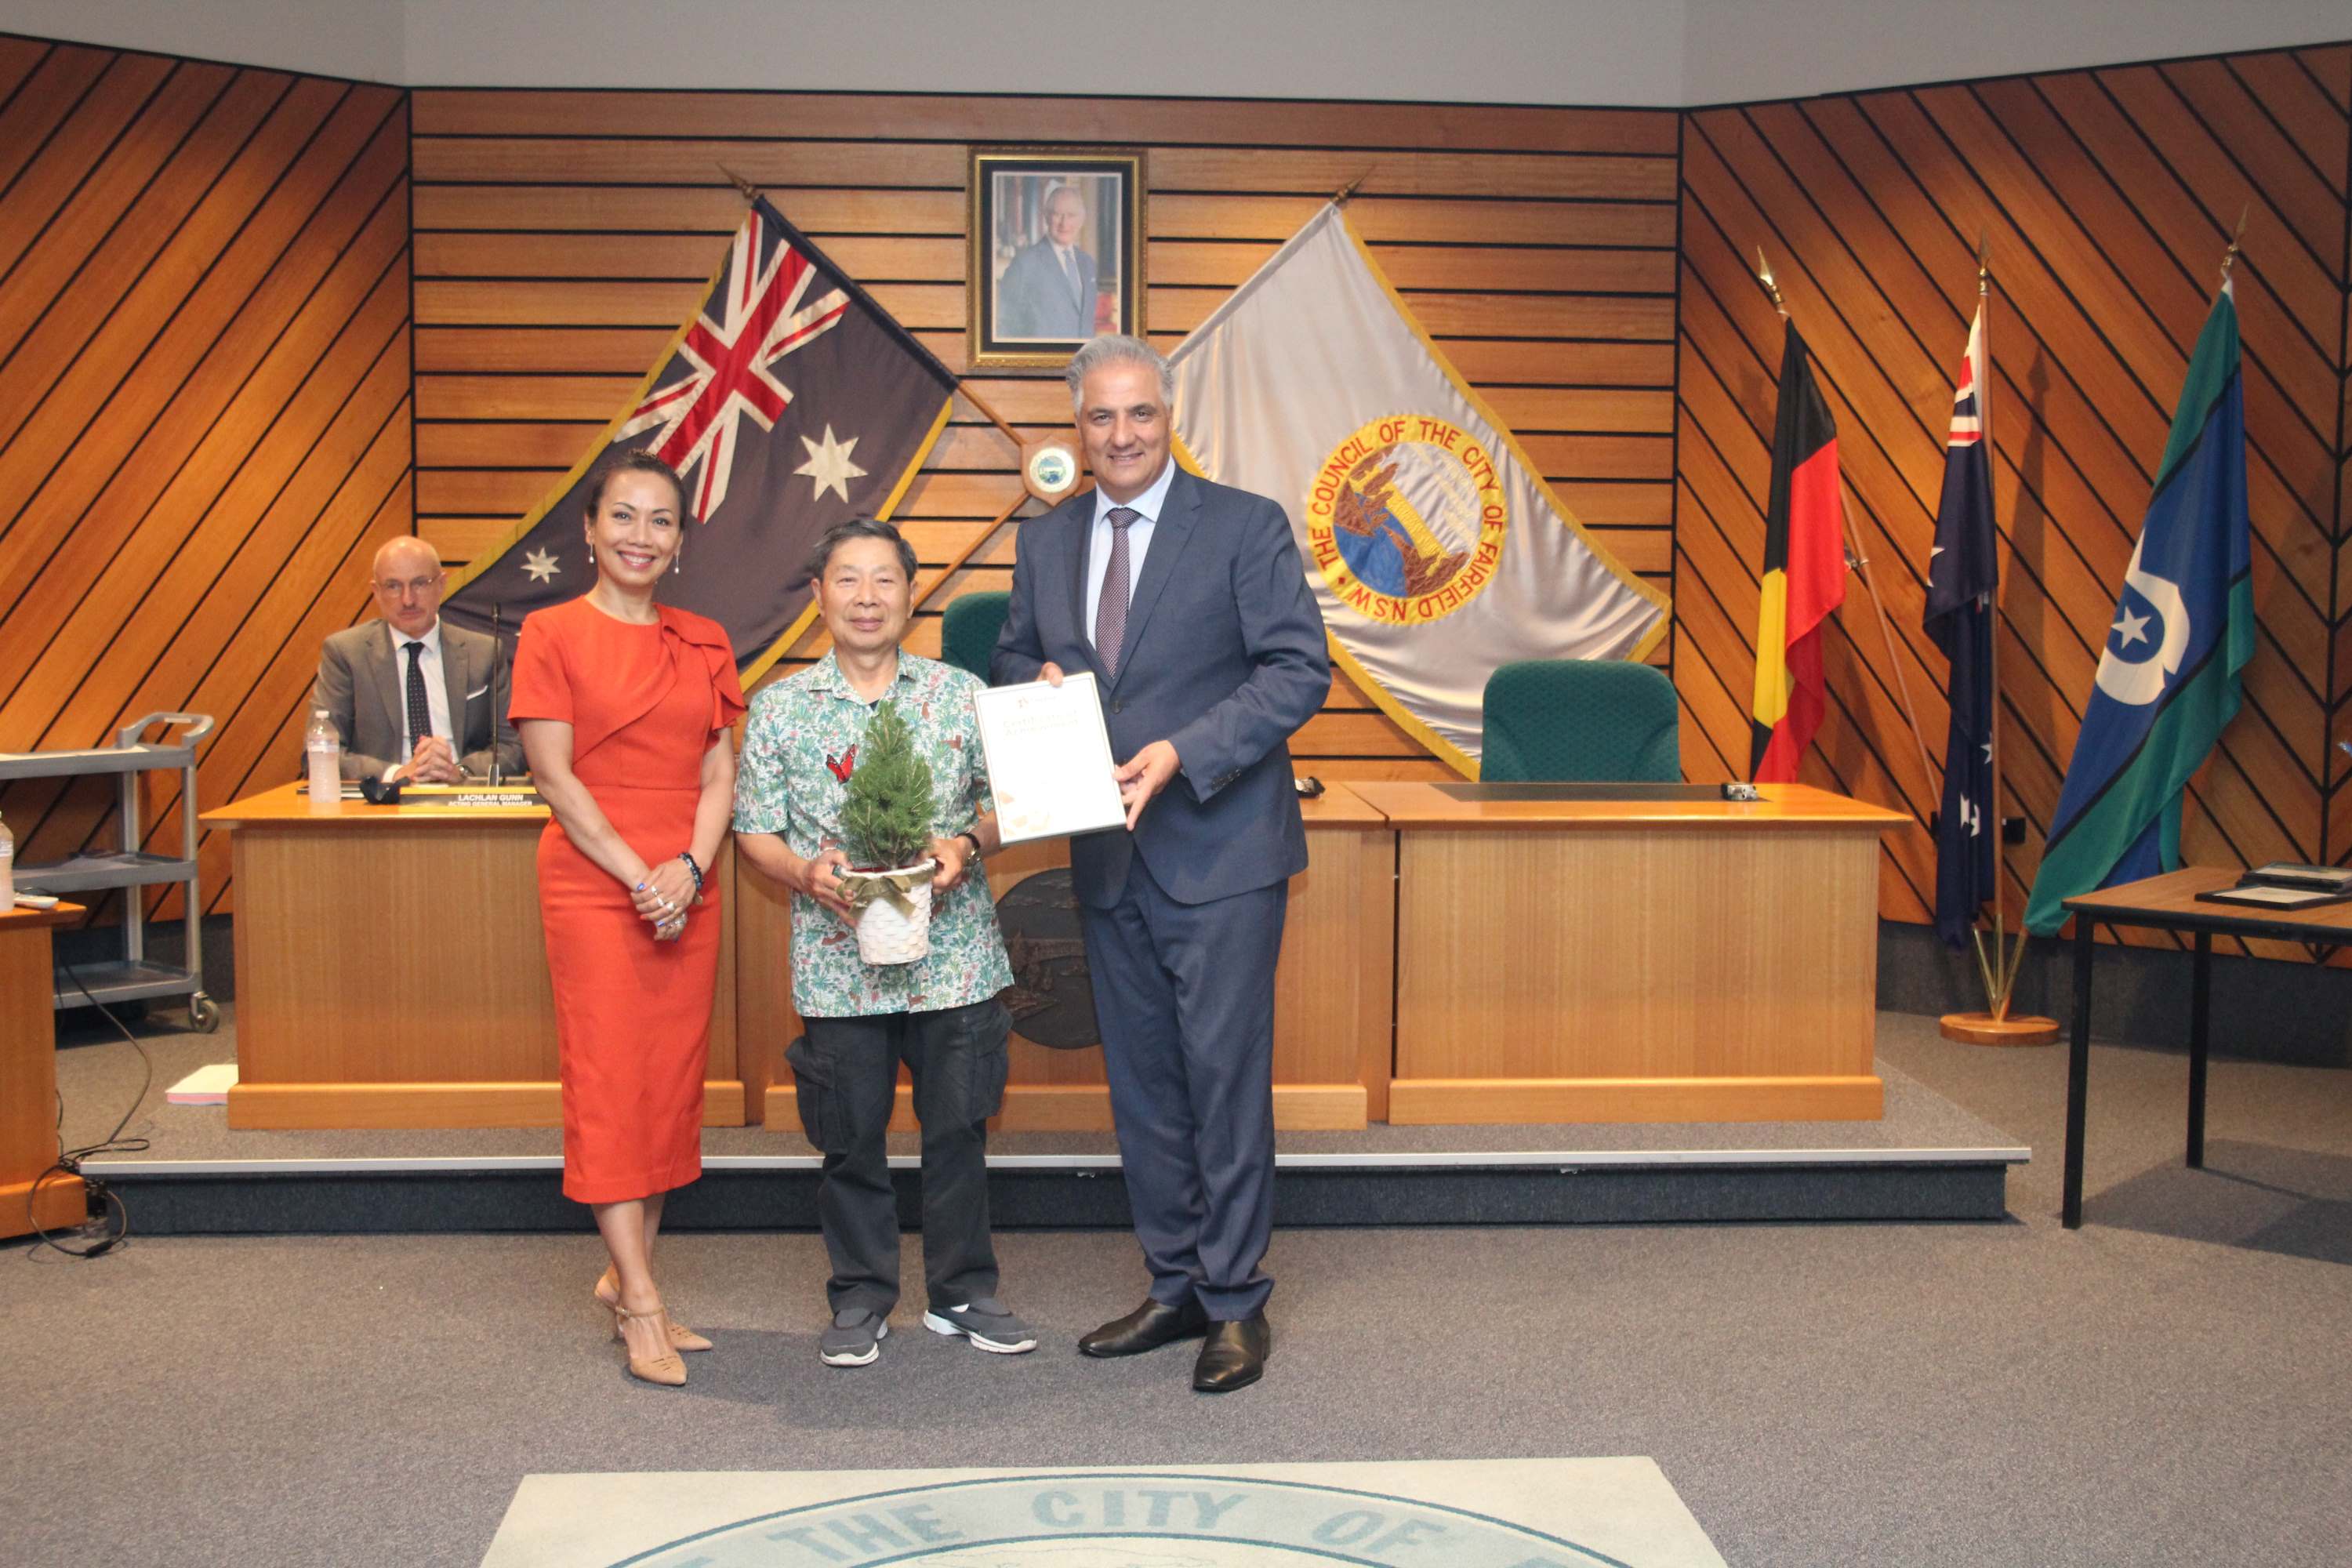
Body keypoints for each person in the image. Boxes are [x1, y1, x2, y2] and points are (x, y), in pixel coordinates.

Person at [992, 334, 1328, 1392]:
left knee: (1222, 1081)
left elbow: (1297, 669)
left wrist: (1185, 751)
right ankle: (1174, 1281)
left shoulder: (1242, 524)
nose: (1121, 434)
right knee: (1142, 1088)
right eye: (1100, 417)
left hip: (1220, 845)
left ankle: (1235, 1301)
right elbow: (1009, 659)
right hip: (1105, 853)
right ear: (1077, 430)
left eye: (1139, 414)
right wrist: (1038, 679)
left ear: (1168, 417)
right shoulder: (1046, 544)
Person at [733, 517, 1033, 1370]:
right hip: (840, 964)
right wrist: (804, 871)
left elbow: (1009, 802)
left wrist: (967, 843)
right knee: (850, 1137)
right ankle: (861, 1293)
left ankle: (963, 1291)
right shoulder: (782, 708)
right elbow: (755, 831)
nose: (867, 597)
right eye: (848, 580)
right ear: (819, 595)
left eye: (885, 581)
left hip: (955, 958)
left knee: (958, 1132)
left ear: (912, 594)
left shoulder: (960, 693)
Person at [507, 448, 745, 1389]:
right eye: (625, 516)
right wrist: (641, 874)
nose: (641, 535)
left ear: (680, 541)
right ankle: (642, 1298)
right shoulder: (551, 632)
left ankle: (624, 1271)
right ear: (591, 529)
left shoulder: (707, 637)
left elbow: (721, 770)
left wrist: (688, 866)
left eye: (661, 520)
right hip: (598, 881)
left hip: (688, 879)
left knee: (666, 1082)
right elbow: (554, 778)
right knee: (610, 1082)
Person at [309, 535, 524, 783]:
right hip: (382, 806)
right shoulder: (346, 653)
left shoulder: (483, 652)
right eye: (393, 586)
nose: (408, 599)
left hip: (461, 800)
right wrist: (397, 774)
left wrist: (459, 772)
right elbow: (318, 753)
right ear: (376, 593)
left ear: (442, 584)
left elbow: (514, 749)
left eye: (420, 583)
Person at [996, 183, 1098, 340]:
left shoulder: (1088, 264)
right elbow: (1004, 325)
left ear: (1081, 220)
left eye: (1071, 215)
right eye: (1058, 214)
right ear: (1046, 216)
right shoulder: (1025, 264)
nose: (1064, 224)